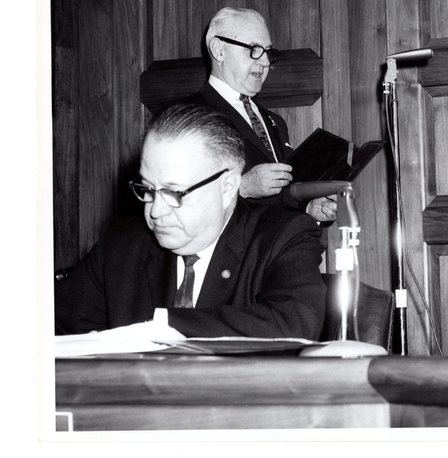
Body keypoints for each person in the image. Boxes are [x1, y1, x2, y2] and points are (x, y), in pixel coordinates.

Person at [55, 103, 326, 339]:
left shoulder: (283, 236)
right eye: (148, 189)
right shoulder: (122, 243)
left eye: (174, 193)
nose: (156, 211)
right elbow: (56, 326)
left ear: (227, 186)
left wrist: (161, 327)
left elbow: (294, 325)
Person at [187, 6, 336, 222]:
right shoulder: (186, 116)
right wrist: (243, 187)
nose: (265, 62)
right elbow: (175, 199)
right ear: (219, 49)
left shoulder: (274, 122)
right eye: (254, 49)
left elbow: (278, 196)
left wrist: (307, 207)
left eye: (268, 52)